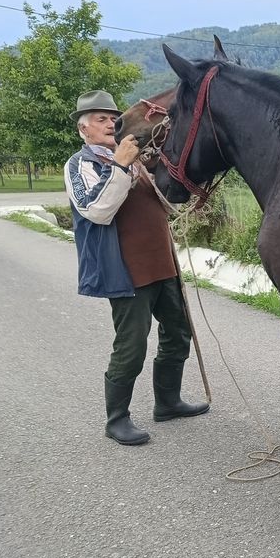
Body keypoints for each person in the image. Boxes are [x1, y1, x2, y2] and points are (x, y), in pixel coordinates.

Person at [64, 89, 209, 446]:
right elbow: (97, 210)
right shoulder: (80, 165)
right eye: (100, 119)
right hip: (126, 271)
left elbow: (168, 195)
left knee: (178, 333)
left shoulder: (138, 158)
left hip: (163, 263)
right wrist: (120, 165)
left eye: (112, 117)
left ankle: (168, 402)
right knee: (131, 346)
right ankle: (116, 419)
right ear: (84, 130)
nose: (110, 123)